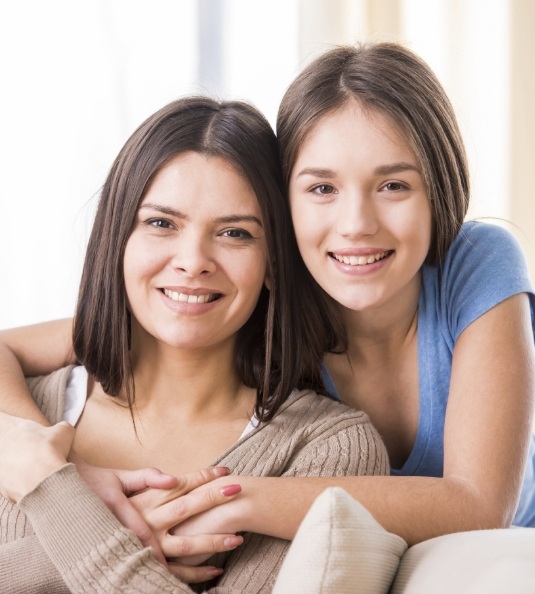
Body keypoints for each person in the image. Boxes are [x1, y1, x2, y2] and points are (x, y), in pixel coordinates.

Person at [1, 40, 535, 552]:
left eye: (393, 185)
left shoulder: (477, 262)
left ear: (439, 187)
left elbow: (481, 507)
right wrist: (51, 460)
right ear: (284, 208)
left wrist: (231, 500)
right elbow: (35, 343)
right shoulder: (256, 285)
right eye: (322, 188)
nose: (355, 225)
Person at [0, 95, 388, 593]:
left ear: (274, 262)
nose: (193, 260)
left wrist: (52, 491)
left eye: (234, 233)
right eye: (161, 223)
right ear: (117, 239)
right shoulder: (19, 412)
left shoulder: (324, 450)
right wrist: (49, 476)